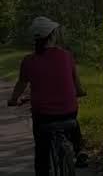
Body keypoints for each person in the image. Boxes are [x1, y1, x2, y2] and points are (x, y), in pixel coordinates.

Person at [7, 16, 86, 175]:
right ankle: (79, 150)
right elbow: (76, 84)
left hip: (43, 117)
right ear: (53, 35)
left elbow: (21, 85)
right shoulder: (66, 56)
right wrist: (80, 92)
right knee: (73, 121)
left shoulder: (29, 60)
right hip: (69, 112)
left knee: (41, 152)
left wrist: (13, 100)